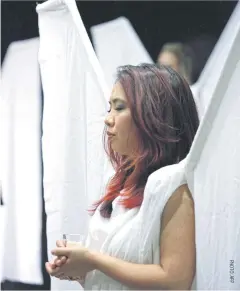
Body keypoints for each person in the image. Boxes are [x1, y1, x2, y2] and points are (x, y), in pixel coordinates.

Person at [45, 64, 199, 290]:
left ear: (153, 115)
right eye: (110, 108)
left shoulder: (175, 184)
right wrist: (77, 266)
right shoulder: (120, 182)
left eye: (119, 108)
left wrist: (91, 259)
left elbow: (175, 279)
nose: (108, 119)